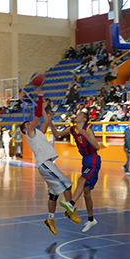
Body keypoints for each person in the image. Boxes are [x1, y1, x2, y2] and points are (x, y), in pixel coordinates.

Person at [20, 91, 81, 235]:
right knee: (67, 184)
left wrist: (44, 107)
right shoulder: (30, 133)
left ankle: (50, 219)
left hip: (47, 165)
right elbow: (36, 117)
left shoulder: (37, 133)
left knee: (53, 194)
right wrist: (40, 98)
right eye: (28, 124)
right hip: (45, 164)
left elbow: (46, 122)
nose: (30, 123)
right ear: (25, 129)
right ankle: (70, 210)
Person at [54, 108, 101, 233]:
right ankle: (91, 220)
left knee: (81, 179)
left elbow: (97, 147)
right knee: (86, 193)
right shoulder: (72, 129)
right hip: (85, 160)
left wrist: (86, 136)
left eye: (80, 114)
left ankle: (71, 204)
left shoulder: (88, 129)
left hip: (93, 158)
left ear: (84, 119)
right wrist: (49, 122)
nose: (77, 115)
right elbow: (57, 135)